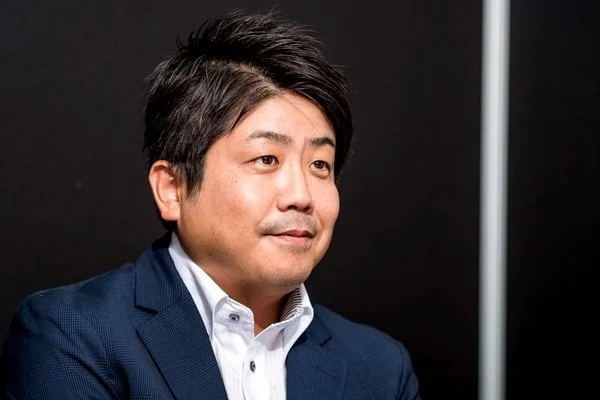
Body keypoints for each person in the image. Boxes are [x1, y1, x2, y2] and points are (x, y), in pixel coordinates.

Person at [0, 10, 420, 399]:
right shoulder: (72, 335)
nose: (301, 195)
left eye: (319, 165)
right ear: (172, 188)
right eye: (266, 159)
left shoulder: (381, 368)